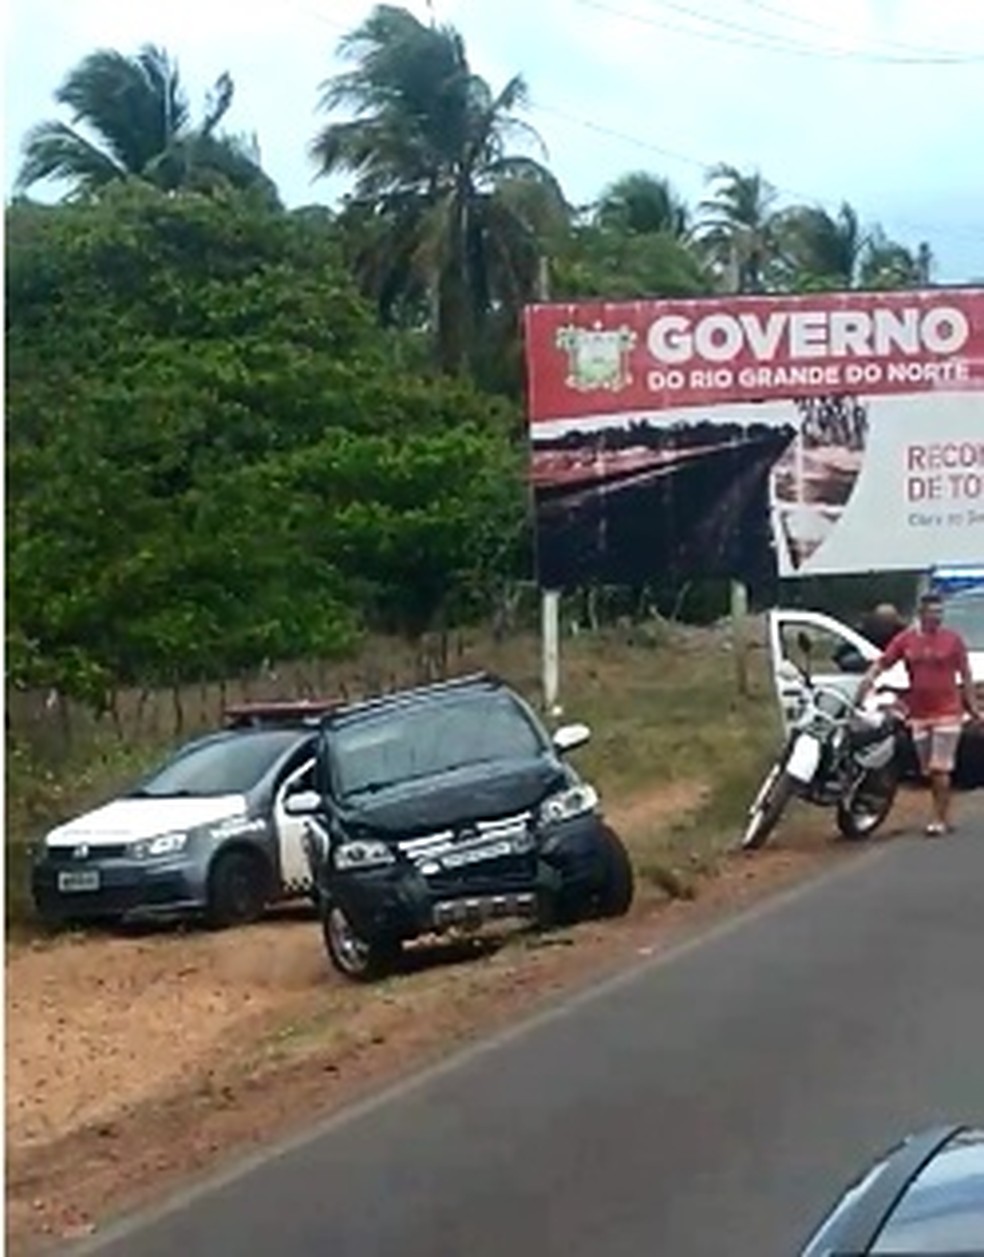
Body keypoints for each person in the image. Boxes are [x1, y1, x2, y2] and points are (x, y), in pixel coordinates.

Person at [857, 591, 981, 836]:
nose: (937, 617)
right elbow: (884, 663)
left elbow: (965, 675)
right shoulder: (906, 641)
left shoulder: (953, 641)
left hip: (948, 711)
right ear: (921, 615)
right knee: (927, 769)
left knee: (939, 767)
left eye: (940, 613)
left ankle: (939, 819)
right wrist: (868, 680)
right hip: (920, 713)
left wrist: (973, 708)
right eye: (932, 613)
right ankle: (943, 810)